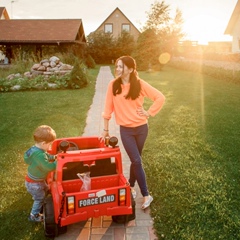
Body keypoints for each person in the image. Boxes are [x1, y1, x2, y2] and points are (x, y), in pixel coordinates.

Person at [101, 56, 165, 209]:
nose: (117, 69)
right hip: (126, 131)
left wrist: (148, 113)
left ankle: (130, 186)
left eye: (121, 66)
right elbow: (107, 108)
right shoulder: (113, 85)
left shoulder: (140, 84)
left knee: (136, 160)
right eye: (116, 66)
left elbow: (160, 97)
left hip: (142, 128)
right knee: (136, 160)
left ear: (130, 69)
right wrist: (105, 130)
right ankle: (146, 195)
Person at [24, 125, 57, 222]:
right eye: (49, 144)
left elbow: (27, 158)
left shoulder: (34, 149)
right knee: (39, 198)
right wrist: (57, 162)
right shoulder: (40, 155)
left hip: (36, 180)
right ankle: (34, 216)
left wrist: (53, 157)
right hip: (34, 184)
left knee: (47, 189)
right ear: (43, 143)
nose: (50, 146)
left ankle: (41, 199)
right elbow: (48, 167)